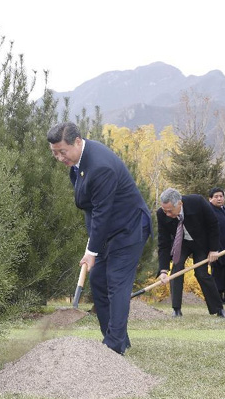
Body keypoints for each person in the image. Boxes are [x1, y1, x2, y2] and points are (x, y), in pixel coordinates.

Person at [47, 122, 151, 355]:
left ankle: (113, 348)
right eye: (55, 153)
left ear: (77, 141)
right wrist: (91, 245)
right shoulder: (78, 163)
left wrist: (92, 252)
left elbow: (102, 212)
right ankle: (116, 338)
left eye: (62, 152)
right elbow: (92, 209)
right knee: (99, 282)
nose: (60, 158)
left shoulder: (100, 166)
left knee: (115, 281)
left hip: (129, 228)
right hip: (107, 229)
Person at [156, 188, 225, 318]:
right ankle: (176, 309)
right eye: (164, 210)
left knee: (201, 274)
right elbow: (164, 242)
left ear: (180, 204)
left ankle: (218, 309)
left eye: (169, 211)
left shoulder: (197, 202)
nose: (167, 214)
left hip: (201, 243)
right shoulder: (161, 214)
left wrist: (213, 249)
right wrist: (163, 270)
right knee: (176, 270)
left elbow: (213, 225)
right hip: (181, 243)